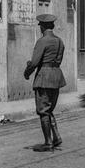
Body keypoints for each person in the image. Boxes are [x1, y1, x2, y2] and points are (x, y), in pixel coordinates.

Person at [23, 13, 66, 152]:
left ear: (42, 26)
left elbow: (35, 62)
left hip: (44, 78)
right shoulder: (60, 41)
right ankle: (56, 137)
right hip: (56, 77)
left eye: (40, 25)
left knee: (43, 111)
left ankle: (48, 142)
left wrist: (27, 72)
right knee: (49, 109)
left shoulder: (42, 41)